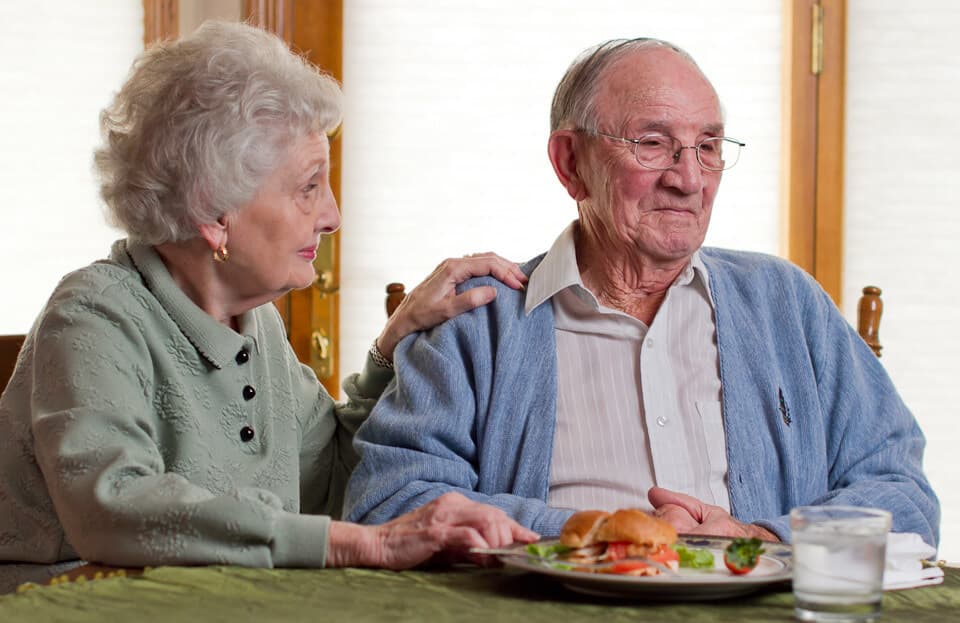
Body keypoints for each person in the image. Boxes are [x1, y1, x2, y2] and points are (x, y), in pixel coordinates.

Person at [0, 20, 536, 591]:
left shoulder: (257, 327)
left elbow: (327, 481)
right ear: (213, 212)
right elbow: (114, 509)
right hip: (68, 602)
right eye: (309, 186)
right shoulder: (93, 317)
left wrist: (392, 345)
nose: (332, 216)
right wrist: (373, 544)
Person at [343, 38, 940, 548]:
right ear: (571, 162)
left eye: (708, 147)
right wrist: (600, 534)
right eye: (653, 144)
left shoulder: (786, 302)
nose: (689, 179)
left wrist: (764, 541)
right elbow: (392, 497)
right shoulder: (478, 320)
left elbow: (901, 494)